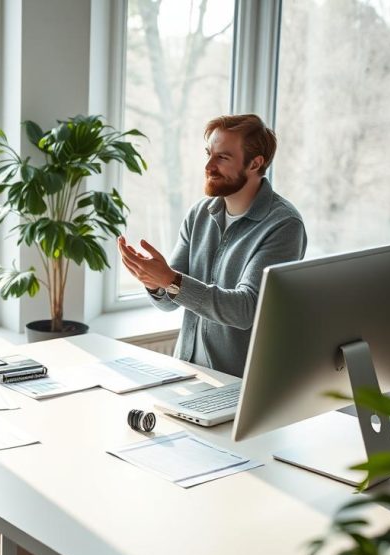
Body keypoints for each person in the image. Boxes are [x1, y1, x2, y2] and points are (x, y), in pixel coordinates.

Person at [118, 114, 307, 378]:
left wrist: (169, 279)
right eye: (209, 153)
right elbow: (170, 302)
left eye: (222, 157)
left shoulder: (284, 225)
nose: (208, 166)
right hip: (188, 372)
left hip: (239, 385)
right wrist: (153, 280)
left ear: (255, 163)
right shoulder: (200, 213)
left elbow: (245, 309)